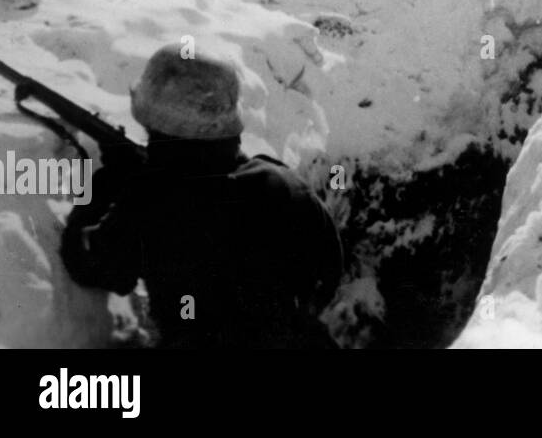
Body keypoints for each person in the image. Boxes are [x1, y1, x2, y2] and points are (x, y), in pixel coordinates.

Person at [61, 44, 344, 348]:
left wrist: (111, 179)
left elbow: (89, 263)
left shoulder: (150, 202)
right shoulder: (282, 182)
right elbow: (328, 271)